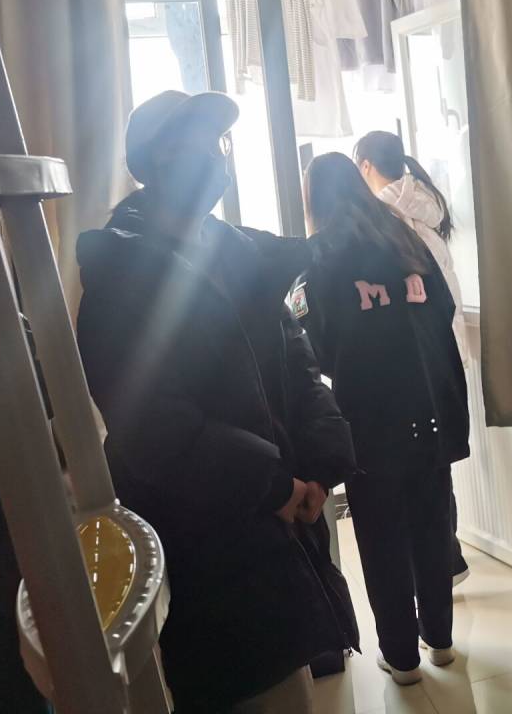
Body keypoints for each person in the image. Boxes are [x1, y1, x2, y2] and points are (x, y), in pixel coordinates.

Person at [76, 91, 359, 714]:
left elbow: (298, 365)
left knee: (291, 685)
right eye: (195, 143)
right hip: (208, 543)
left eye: (217, 142)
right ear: (156, 161)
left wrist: (317, 468)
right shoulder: (121, 278)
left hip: (281, 526)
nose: (213, 157)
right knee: (251, 688)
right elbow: (154, 427)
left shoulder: (237, 254)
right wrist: (273, 485)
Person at [291, 152, 469, 686]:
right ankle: (440, 640)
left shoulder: (321, 255)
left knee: (381, 535)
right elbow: (444, 311)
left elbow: (310, 345)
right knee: (431, 525)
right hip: (431, 406)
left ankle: (401, 656)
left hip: (369, 415)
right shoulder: (406, 241)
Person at [354, 129, 471, 585]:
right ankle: (448, 558)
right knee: (435, 461)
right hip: (445, 349)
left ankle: (439, 561)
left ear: (366, 166)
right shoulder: (426, 205)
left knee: (417, 465)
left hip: (415, 354)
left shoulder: (381, 218)